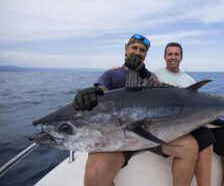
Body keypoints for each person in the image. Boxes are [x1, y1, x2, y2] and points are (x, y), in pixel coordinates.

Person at [73, 34, 199, 186]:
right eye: (134, 48)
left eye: (142, 50)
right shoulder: (112, 73)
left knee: (190, 147)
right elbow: (102, 91)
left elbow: (164, 90)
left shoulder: (151, 77)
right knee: (94, 176)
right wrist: (93, 93)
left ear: (146, 55)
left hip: (149, 135)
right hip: (116, 138)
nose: (138, 52)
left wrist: (145, 74)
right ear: (126, 49)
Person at [154, 42, 224, 186]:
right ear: (164, 57)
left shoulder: (189, 80)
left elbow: (200, 106)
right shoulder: (155, 75)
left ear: (181, 57)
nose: (173, 57)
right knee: (206, 139)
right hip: (174, 123)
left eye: (176, 54)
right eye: (170, 54)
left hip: (195, 119)